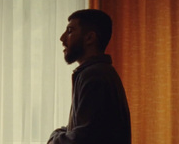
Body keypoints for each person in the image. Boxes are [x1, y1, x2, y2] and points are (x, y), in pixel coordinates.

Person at [47, 9, 131, 144]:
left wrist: (53, 138)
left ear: (90, 38)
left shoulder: (95, 76)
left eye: (70, 31)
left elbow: (83, 139)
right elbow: (84, 130)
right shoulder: (99, 73)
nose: (62, 38)